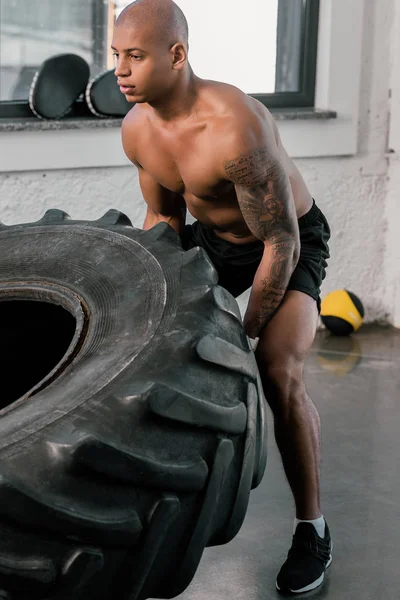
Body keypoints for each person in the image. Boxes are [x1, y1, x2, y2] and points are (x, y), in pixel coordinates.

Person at [112, 0, 332, 593]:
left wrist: (240, 328)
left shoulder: (236, 126)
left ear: (177, 55)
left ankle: (312, 529)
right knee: (146, 352)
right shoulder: (138, 129)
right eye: (116, 56)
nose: (121, 71)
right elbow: (163, 217)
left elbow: (280, 240)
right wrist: (163, 309)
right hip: (214, 243)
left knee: (277, 371)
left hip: (285, 242)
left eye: (135, 56)